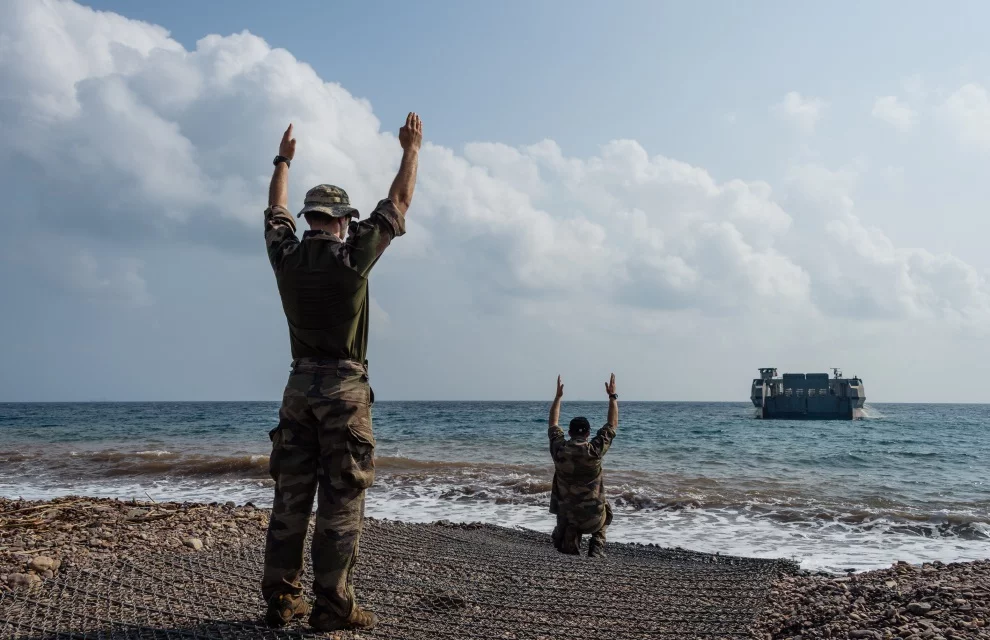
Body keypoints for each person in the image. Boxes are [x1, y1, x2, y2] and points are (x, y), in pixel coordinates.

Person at [261, 113, 423, 631]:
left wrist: (283, 159)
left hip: (297, 388)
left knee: (290, 496)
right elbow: (398, 204)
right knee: (340, 500)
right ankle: (333, 605)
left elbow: (274, 209)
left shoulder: (285, 256)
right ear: (344, 220)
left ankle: (282, 600)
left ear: (311, 218)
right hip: (344, 388)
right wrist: (411, 150)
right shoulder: (353, 257)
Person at [547, 373, 618, 558]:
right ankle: (597, 544)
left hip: (567, 517)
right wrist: (612, 396)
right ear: (588, 434)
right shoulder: (594, 450)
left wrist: (558, 397)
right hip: (593, 519)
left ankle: (569, 540)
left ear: (569, 432)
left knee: (569, 515)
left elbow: (553, 423)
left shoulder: (559, 449)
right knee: (607, 510)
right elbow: (612, 425)